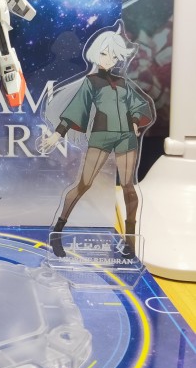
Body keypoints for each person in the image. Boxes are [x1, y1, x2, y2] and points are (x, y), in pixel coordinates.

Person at [38, 24, 155, 257]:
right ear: (95, 53)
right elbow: (76, 109)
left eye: (113, 55)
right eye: (104, 53)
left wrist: (134, 121)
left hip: (126, 138)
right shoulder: (91, 82)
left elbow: (140, 105)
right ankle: (57, 231)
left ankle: (130, 242)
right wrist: (57, 134)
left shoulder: (123, 83)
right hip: (101, 137)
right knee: (84, 184)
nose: (108, 59)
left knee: (129, 188)